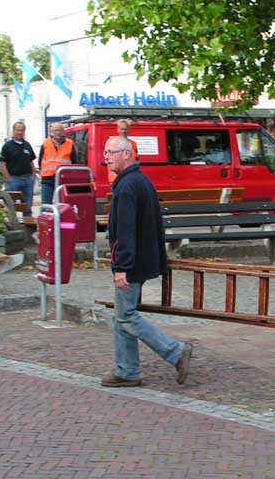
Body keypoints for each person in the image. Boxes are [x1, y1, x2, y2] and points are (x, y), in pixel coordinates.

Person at [101, 136, 193, 387]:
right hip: (142, 259)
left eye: (111, 152)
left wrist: (121, 267)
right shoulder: (139, 181)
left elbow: (125, 231)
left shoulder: (127, 186)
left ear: (127, 154)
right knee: (121, 316)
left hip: (132, 264)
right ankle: (127, 370)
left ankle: (175, 352)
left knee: (126, 316)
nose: (106, 157)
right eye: (105, 152)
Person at [0, 122, 36, 217]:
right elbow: (2, 164)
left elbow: (31, 162)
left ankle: (28, 228)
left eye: (22, 130)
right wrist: (8, 179)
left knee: (27, 206)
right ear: (13, 131)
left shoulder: (27, 145)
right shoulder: (7, 146)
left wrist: (33, 176)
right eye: (18, 130)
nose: (20, 132)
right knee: (10, 205)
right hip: (13, 179)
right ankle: (11, 226)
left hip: (27, 180)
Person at [38, 122, 77, 205]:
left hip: (64, 179)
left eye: (60, 130)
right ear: (51, 132)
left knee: (64, 205)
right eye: (56, 130)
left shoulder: (70, 144)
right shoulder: (45, 143)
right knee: (46, 205)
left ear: (63, 131)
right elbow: (40, 161)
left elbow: (74, 162)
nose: (58, 132)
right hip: (47, 179)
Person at [107, 119, 138, 184]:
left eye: (125, 129)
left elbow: (135, 161)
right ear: (118, 129)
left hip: (130, 179)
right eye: (122, 129)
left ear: (129, 130)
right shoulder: (111, 143)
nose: (124, 131)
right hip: (116, 179)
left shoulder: (133, 144)